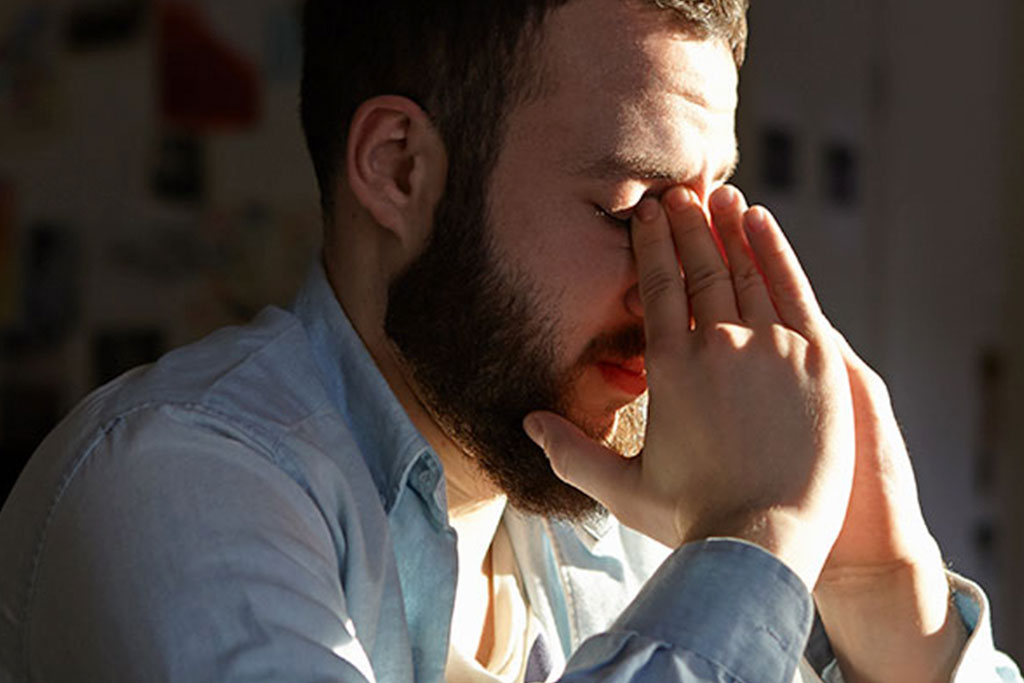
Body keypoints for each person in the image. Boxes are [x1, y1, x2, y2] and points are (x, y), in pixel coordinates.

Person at [0, 0, 1020, 680]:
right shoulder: (164, 482)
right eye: (630, 210)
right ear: (399, 170)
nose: (687, 287)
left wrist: (887, 602)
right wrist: (752, 542)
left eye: (705, 212)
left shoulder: (634, 518)